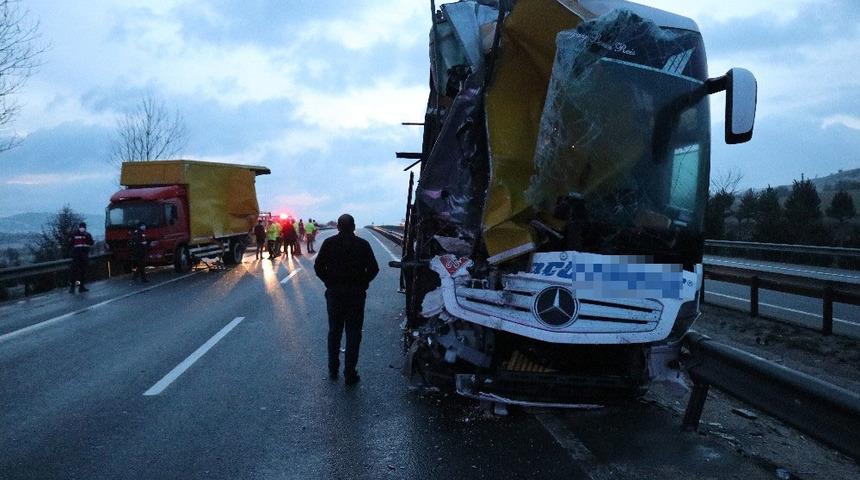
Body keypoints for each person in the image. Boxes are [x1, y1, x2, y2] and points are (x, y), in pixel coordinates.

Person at [314, 214, 379, 384]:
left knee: (334, 332)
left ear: (338, 227)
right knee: (354, 334)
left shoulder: (329, 243)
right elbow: (374, 268)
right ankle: (350, 373)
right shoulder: (362, 245)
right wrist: (363, 283)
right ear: (354, 227)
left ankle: (333, 369)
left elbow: (318, 266)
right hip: (356, 296)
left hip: (335, 295)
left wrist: (329, 282)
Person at [68, 222, 95, 293]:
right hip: (76, 256)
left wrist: (87, 236)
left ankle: (81, 287)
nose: (82, 228)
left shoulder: (87, 235)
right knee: (74, 272)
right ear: (79, 227)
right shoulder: (74, 234)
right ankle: (72, 287)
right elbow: (70, 244)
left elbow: (91, 243)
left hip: (84, 256)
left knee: (82, 272)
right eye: (81, 227)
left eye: (83, 227)